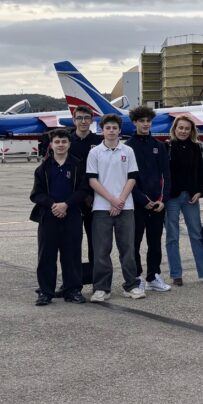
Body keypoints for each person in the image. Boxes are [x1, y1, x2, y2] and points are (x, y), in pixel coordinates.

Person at [86, 114, 143, 301]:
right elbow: (92, 180)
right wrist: (112, 200)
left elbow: (132, 178)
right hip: (101, 208)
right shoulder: (95, 152)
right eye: (108, 128)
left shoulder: (128, 151)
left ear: (119, 130)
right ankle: (102, 288)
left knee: (128, 249)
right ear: (102, 130)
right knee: (101, 250)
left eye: (114, 128)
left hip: (125, 207)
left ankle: (131, 285)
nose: (111, 131)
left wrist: (120, 201)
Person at [30, 129, 87, 305]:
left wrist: (66, 204)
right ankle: (45, 292)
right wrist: (53, 205)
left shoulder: (78, 166)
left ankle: (73, 290)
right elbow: (36, 194)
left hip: (72, 215)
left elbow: (83, 190)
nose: (60, 145)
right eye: (57, 142)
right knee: (46, 255)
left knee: (72, 254)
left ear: (69, 144)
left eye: (64, 141)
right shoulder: (43, 168)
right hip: (49, 216)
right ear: (51, 145)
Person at [126, 105, 171, 293]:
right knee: (134, 242)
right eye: (141, 121)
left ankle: (153, 276)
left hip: (157, 204)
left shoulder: (159, 146)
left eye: (148, 121)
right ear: (134, 122)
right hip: (136, 204)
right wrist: (142, 200)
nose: (145, 124)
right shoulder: (128, 147)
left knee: (155, 242)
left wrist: (163, 199)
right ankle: (137, 276)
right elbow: (127, 178)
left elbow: (166, 175)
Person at [165, 116, 203, 286]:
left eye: (187, 128)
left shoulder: (197, 147)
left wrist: (199, 190)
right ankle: (176, 274)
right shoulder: (167, 147)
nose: (183, 131)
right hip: (172, 197)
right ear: (175, 129)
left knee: (196, 234)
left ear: (191, 131)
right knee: (172, 236)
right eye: (180, 128)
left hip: (191, 196)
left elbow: (201, 171)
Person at [65, 105, 101, 295]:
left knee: (96, 244)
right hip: (72, 201)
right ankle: (73, 283)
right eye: (79, 118)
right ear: (74, 120)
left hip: (95, 200)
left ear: (92, 120)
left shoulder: (99, 142)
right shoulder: (66, 141)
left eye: (87, 118)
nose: (83, 121)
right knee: (72, 244)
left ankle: (97, 282)